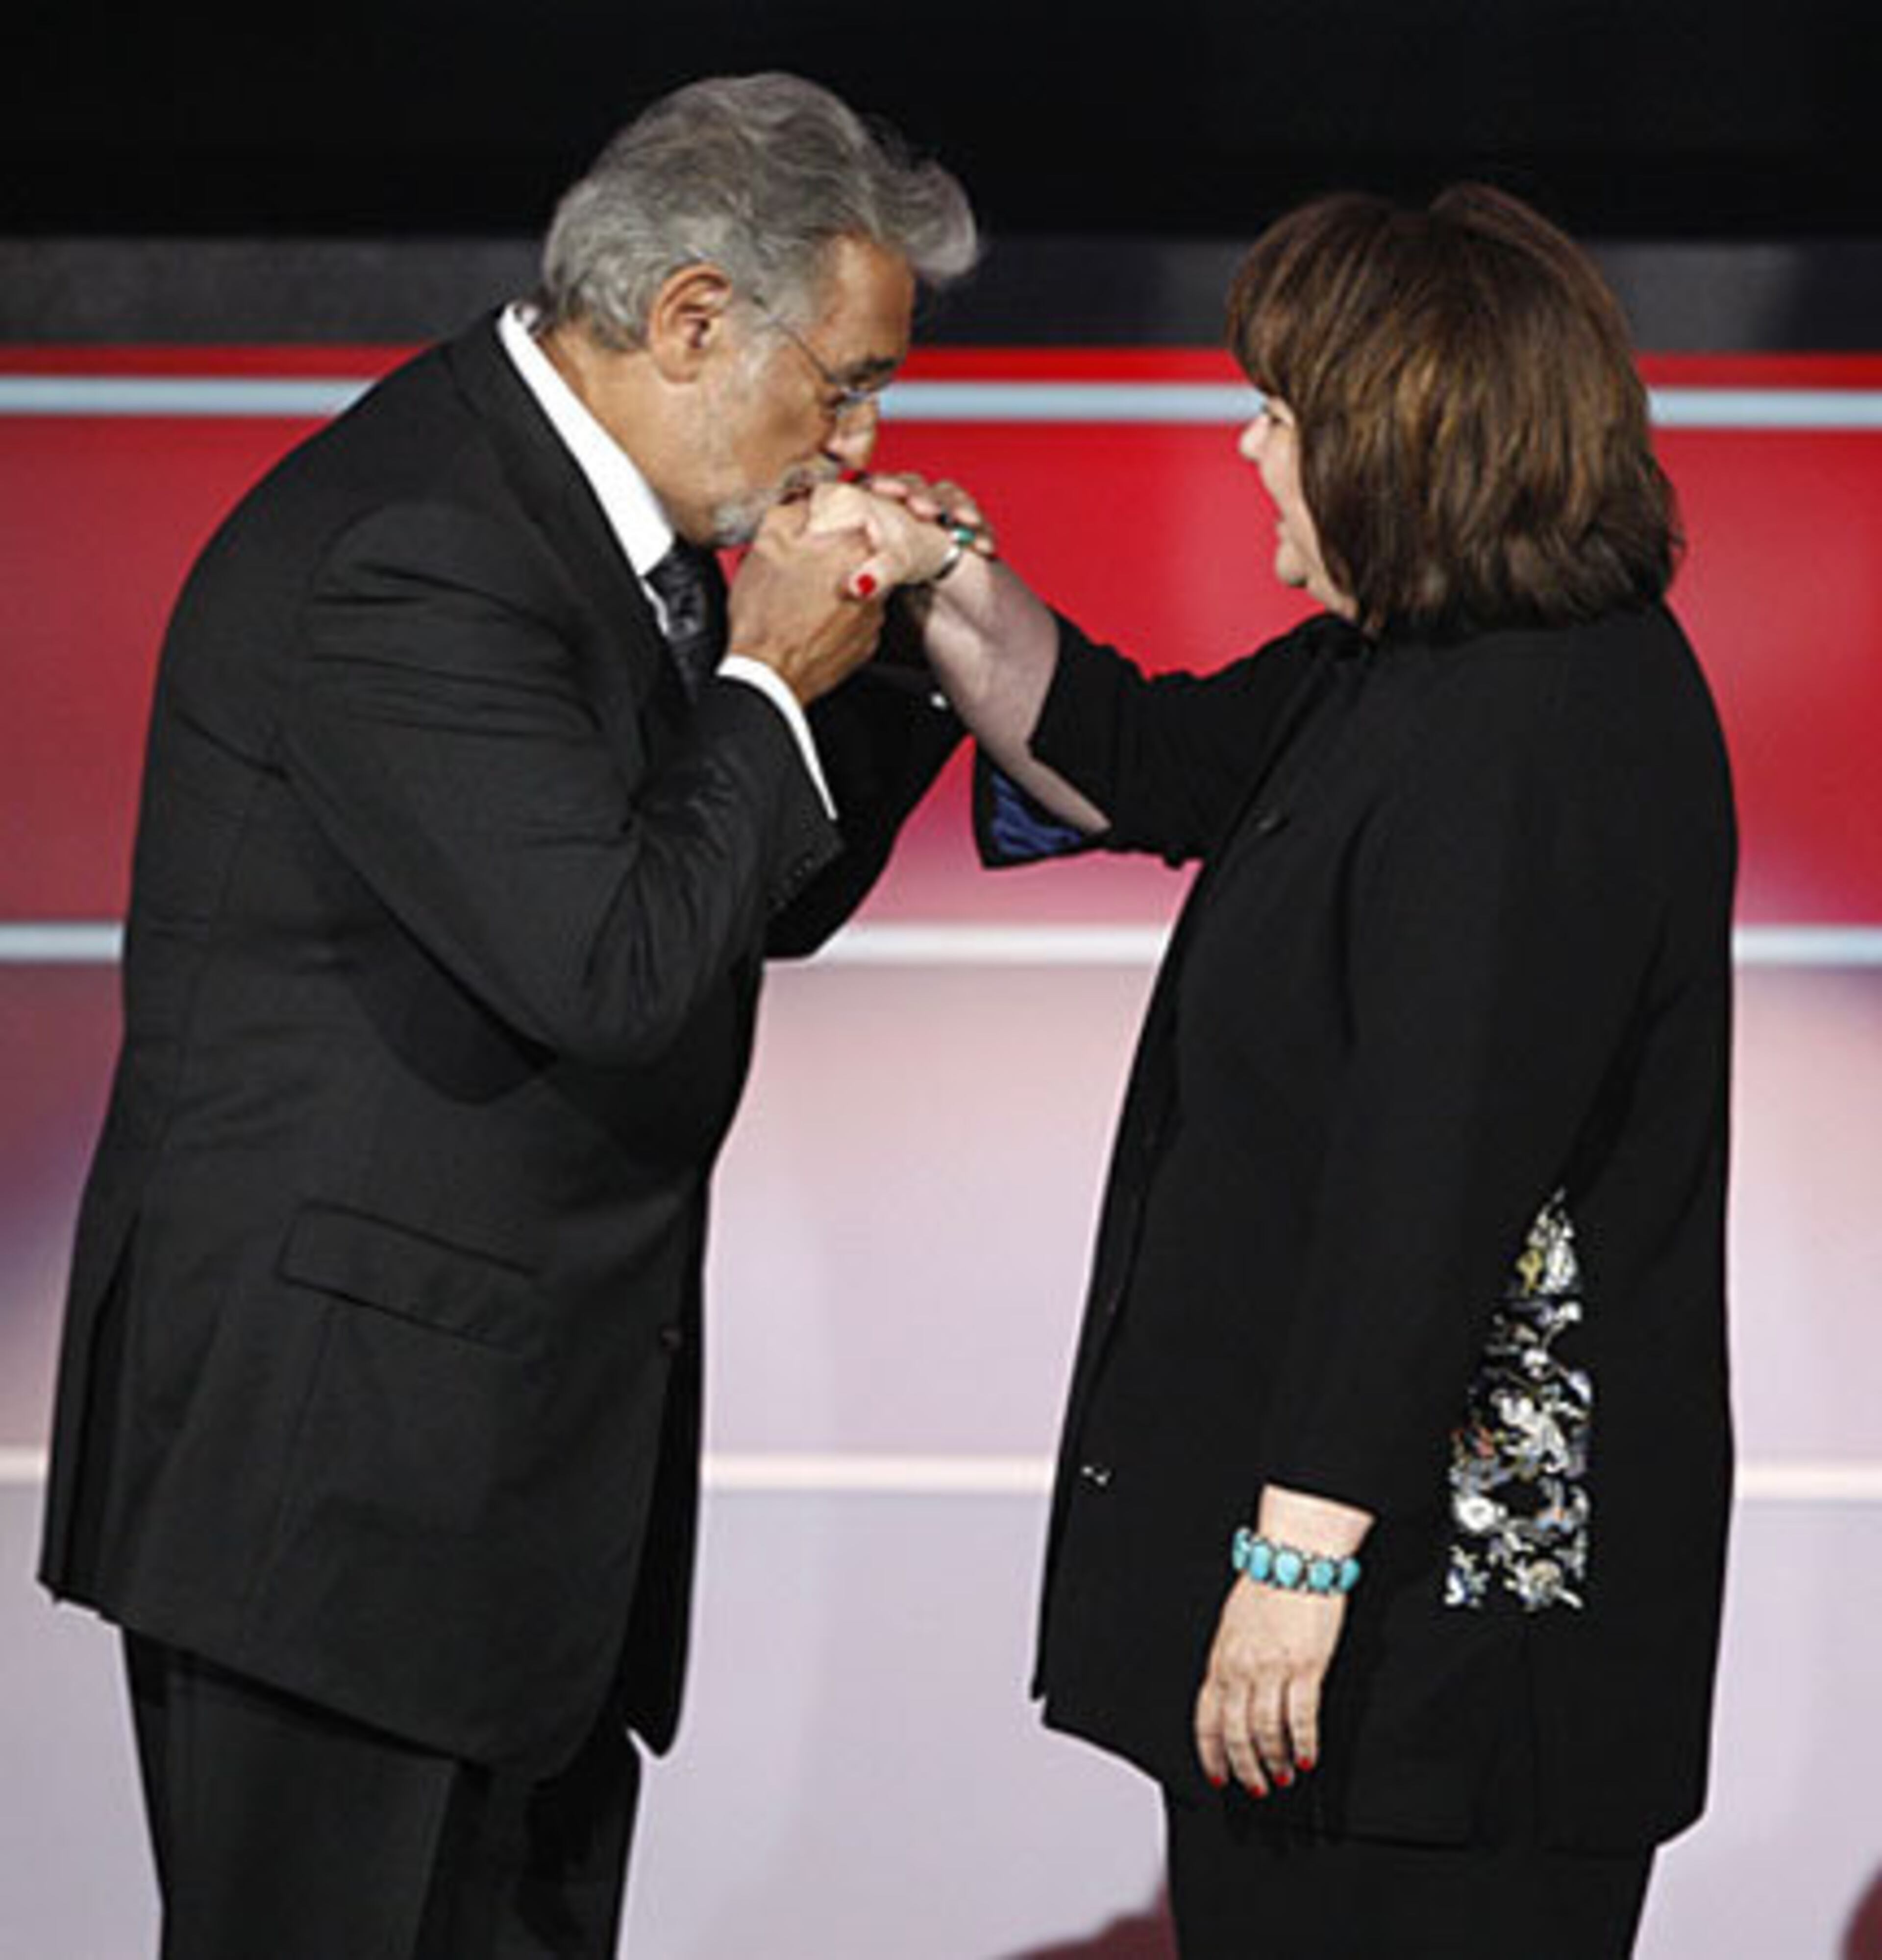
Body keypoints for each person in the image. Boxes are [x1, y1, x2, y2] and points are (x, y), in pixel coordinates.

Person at [38, 73, 983, 1959]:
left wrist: (878, 677)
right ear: (696, 316)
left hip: (504, 1502)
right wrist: (779, 673)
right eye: (847, 381)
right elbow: (616, 964)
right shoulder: (424, 546)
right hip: (339, 1504)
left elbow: (746, 910)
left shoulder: (585, 523)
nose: (859, 435)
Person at [825, 185, 1735, 1956]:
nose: (1248, 451)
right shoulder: (1410, 668)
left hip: (1448, 1663)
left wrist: (1295, 1568)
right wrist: (939, 576)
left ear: (1402, 441)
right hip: (1371, 1641)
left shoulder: (1535, 735)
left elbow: (1432, 1184)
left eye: (1282, 416)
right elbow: (1140, 760)